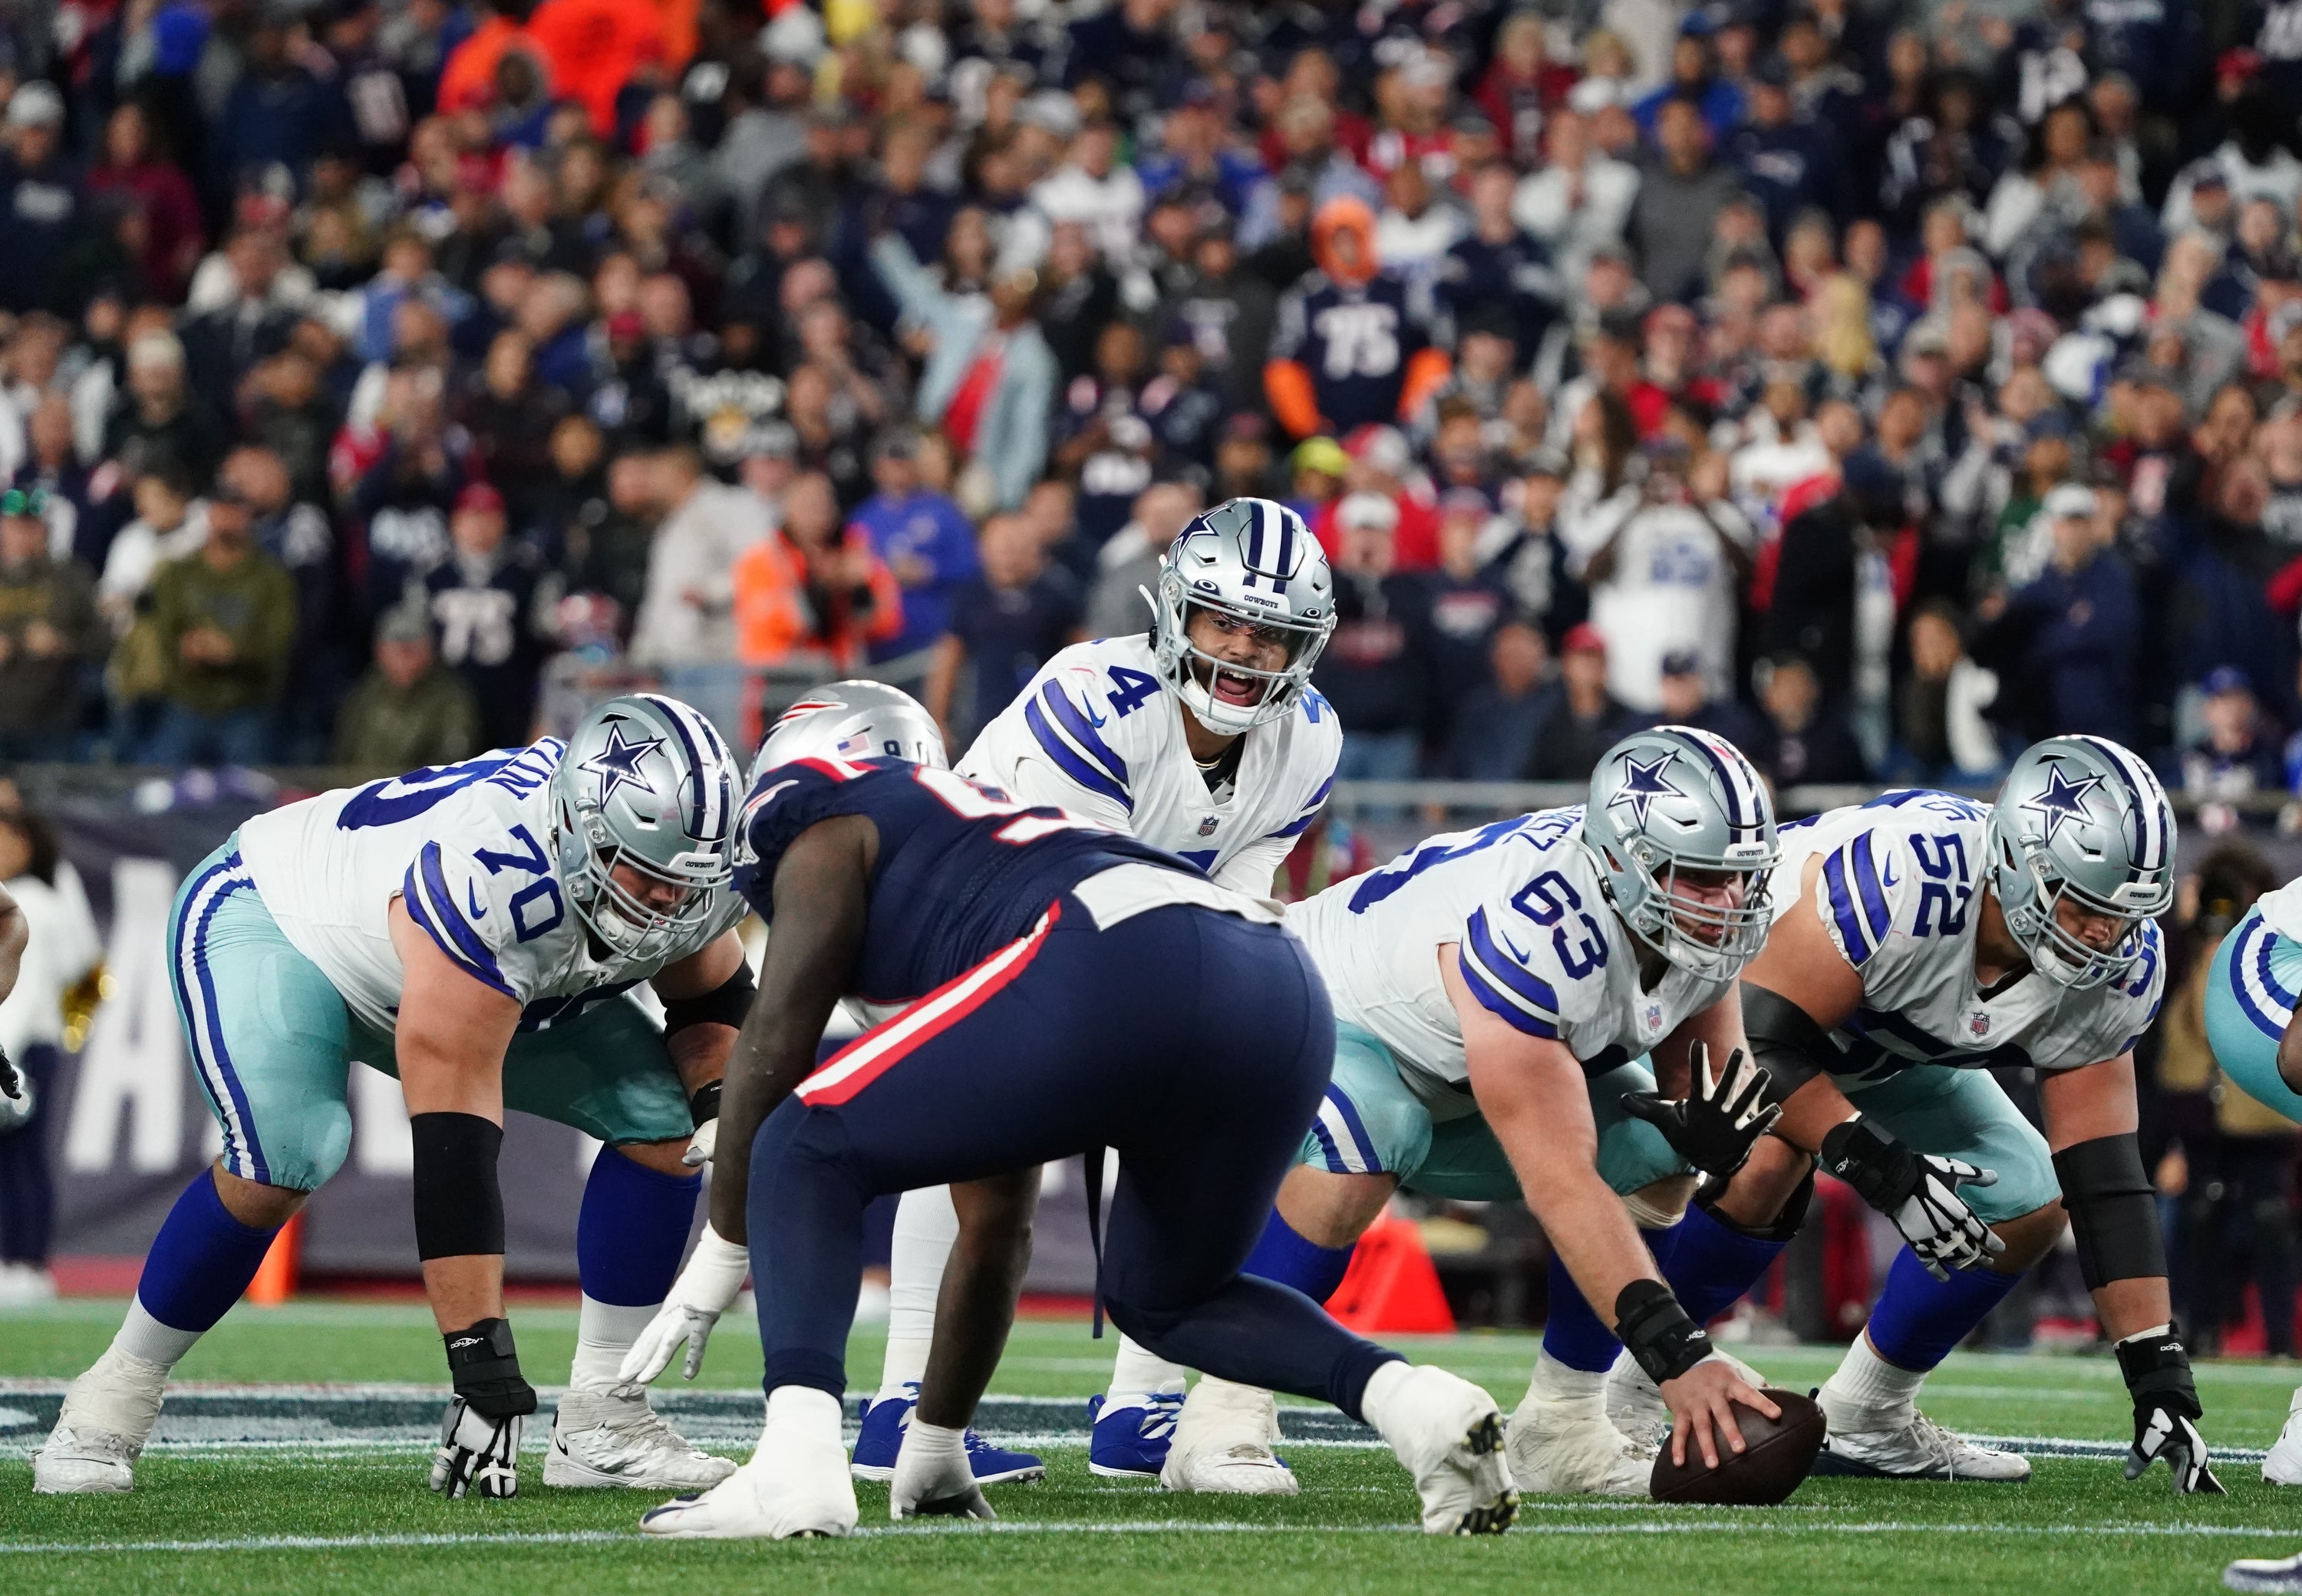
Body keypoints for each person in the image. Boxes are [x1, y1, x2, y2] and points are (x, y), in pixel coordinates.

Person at [621, 682, 1514, 1540]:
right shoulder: (979, 867)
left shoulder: (819, 807)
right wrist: (934, 1445)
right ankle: (1418, 1406)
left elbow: (773, 1048)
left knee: (802, 1142)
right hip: (1278, 982)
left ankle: (793, 1466)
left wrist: (720, 1252)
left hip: (1115, 952)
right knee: (1169, 1299)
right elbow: (997, 1221)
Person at [34, 696, 753, 1500]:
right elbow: (455, 1150)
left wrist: (721, 1101)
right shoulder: (492, 875)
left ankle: (603, 1418)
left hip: (470, 969)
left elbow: (710, 1001)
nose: (665, 904)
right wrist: (480, 1363)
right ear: (581, 829)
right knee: (288, 1151)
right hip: (281, 919)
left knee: (663, 1121)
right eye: (644, 876)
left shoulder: (689, 872)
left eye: (684, 884)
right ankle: (110, 1398)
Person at [849, 498, 1343, 1489]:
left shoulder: (1310, 738)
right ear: (1177, 614)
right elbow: (1065, 904)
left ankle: (1144, 1406)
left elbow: (1239, 907)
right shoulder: (1098, 695)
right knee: (988, 1118)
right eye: (1224, 623)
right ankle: (903, 1405)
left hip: (1115, 932)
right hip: (951, 915)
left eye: (1270, 631)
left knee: (1232, 1067)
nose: (1245, 652)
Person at [1614, 740, 2221, 1492]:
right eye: (2085, 904)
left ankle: (1869, 1413)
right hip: (1724, 1012)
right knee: (1767, 1150)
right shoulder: (1901, 880)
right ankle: (1637, 1382)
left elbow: (2103, 1173)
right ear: (2017, 863)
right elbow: (1759, 1048)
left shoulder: (2117, 968)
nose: (2105, 935)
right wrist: (1887, 1172)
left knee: (2028, 1194)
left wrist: (2154, 1362)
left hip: (1880, 1046)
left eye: (2124, 914)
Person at [1195, 727, 1783, 1498]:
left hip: (1453, 1069)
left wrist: (1710, 1134)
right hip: (1300, 1011)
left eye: (1741, 877)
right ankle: (1223, 1407)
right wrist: (1676, 1352)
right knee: (1377, 1130)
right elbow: (1562, 1182)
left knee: (1656, 1148)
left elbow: (1701, 1095)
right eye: (1701, 878)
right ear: (1623, 863)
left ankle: (1563, 1424)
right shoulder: (1539, 929)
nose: (1728, 904)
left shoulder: (1687, 918)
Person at [0, 803, 99, 1303]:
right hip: (40, 1044)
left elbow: (22, 992)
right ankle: (26, 1263)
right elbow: (89, 975)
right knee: (25, 1158)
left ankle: (20, 1264)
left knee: (16, 1159)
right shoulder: (52, 900)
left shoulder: (28, 904)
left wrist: (10, 1052)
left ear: (25, 845)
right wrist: (70, 1031)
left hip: (16, 1048)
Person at [140, 481, 298, 767]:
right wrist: (188, 646)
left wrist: (233, 652)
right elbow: (162, 631)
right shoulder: (179, 572)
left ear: (248, 517)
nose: (227, 519)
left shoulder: (272, 578)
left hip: (246, 705)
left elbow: (279, 644)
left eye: (236, 511)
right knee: (158, 789)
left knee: (253, 798)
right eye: (221, 510)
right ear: (210, 514)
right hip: (187, 701)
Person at [923, 510, 1083, 747]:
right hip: (983, 725)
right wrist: (937, 719)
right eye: (1001, 548)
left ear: (1033, 548)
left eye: (1016, 547)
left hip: (1048, 723)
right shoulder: (970, 597)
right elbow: (948, 660)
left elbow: (1084, 654)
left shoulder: (1057, 594)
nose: (1009, 557)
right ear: (983, 550)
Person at [0, 486, 98, 761]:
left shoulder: (71, 577)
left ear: (45, 530)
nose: (22, 534)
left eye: (31, 527)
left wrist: (63, 644)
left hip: (52, 722)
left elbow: (105, 642)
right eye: (14, 526)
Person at [332, 602, 484, 769]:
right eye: (395, 650)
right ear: (379, 652)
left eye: (412, 650)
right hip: (364, 788)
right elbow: (343, 754)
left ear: (430, 652)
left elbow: (451, 762)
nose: (403, 659)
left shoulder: (452, 698)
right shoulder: (366, 692)